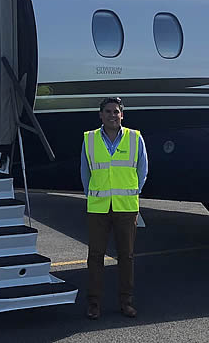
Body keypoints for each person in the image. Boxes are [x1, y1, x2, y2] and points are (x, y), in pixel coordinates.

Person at [81, 97, 148, 319]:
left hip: (126, 207)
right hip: (98, 207)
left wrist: (133, 193)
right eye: (108, 111)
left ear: (122, 115)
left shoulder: (135, 138)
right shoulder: (89, 139)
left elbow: (142, 170)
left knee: (126, 256)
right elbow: (85, 172)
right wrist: (93, 195)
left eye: (116, 111)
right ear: (100, 115)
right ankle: (94, 304)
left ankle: (126, 302)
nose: (112, 115)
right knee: (95, 256)